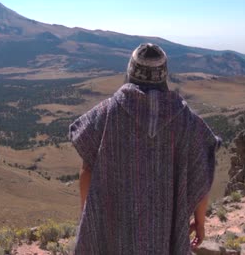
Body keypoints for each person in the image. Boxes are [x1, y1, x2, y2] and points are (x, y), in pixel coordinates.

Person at [69, 43, 220, 254]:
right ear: (163, 75)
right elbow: (202, 176)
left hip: (114, 228)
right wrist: (200, 222)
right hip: (164, 232)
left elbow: (87, 170)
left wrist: (89, 218)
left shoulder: (106, 113)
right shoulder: (187, 121)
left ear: (131, 70)